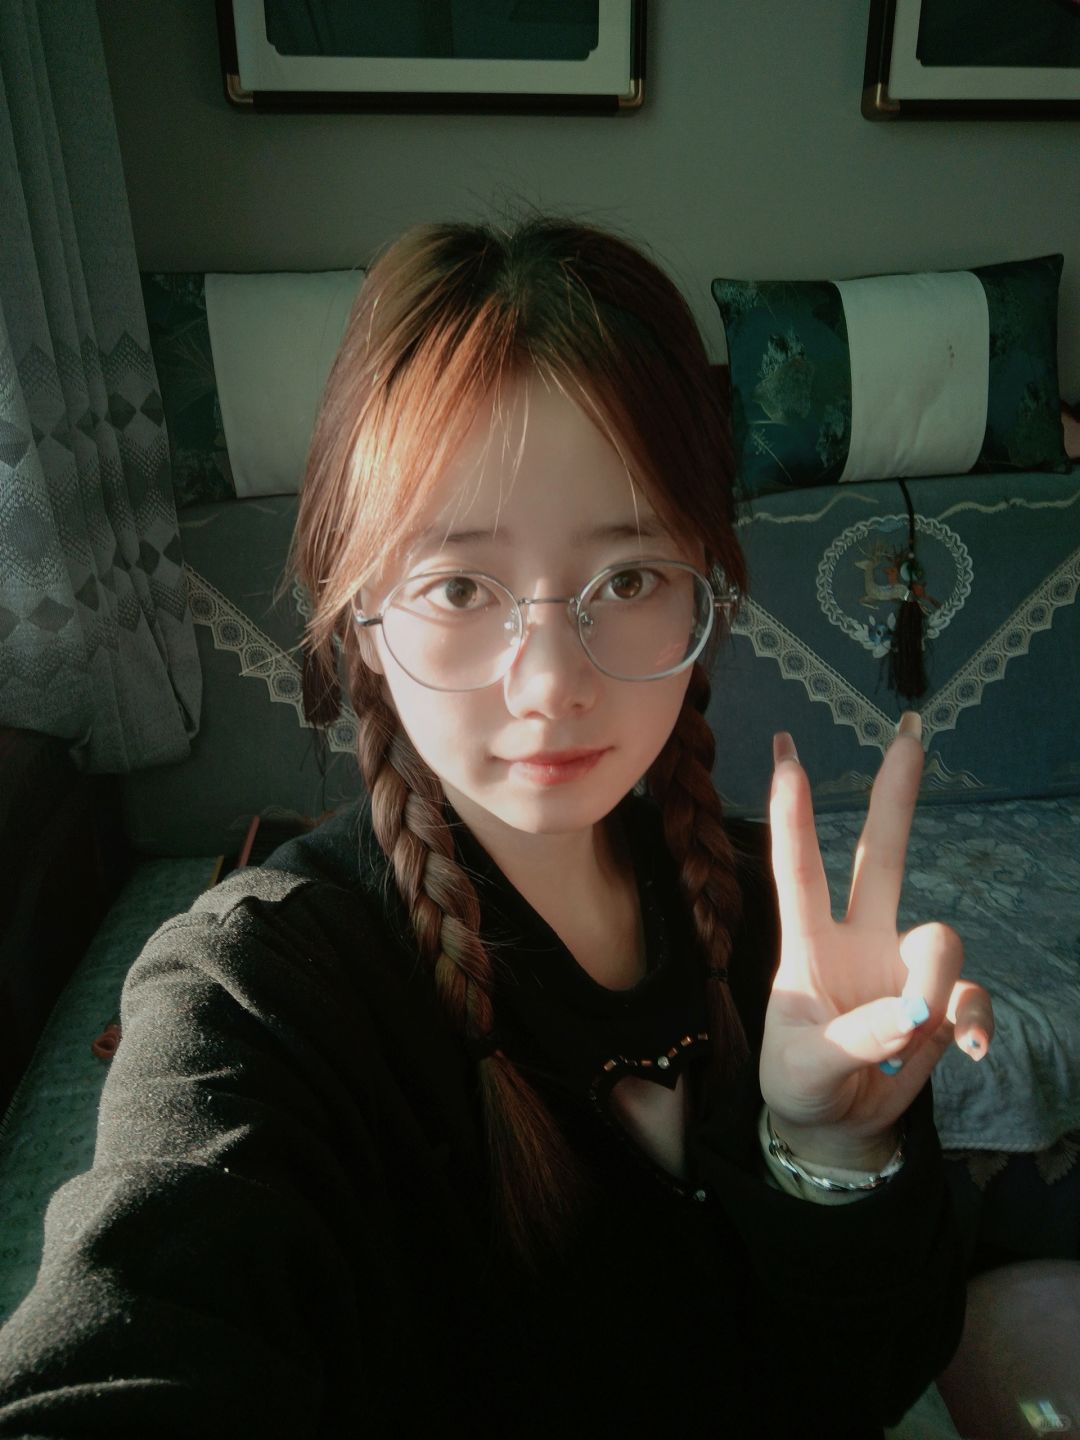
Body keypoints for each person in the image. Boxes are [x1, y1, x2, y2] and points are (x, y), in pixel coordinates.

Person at [0, 217, 993, 1439]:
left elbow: (864, 1381)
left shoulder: (782, 931)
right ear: (360, 616)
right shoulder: (259, 996)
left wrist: (831, 1155)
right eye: (461, 587)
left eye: (627, 578)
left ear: (704, 586)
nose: (552, 684)